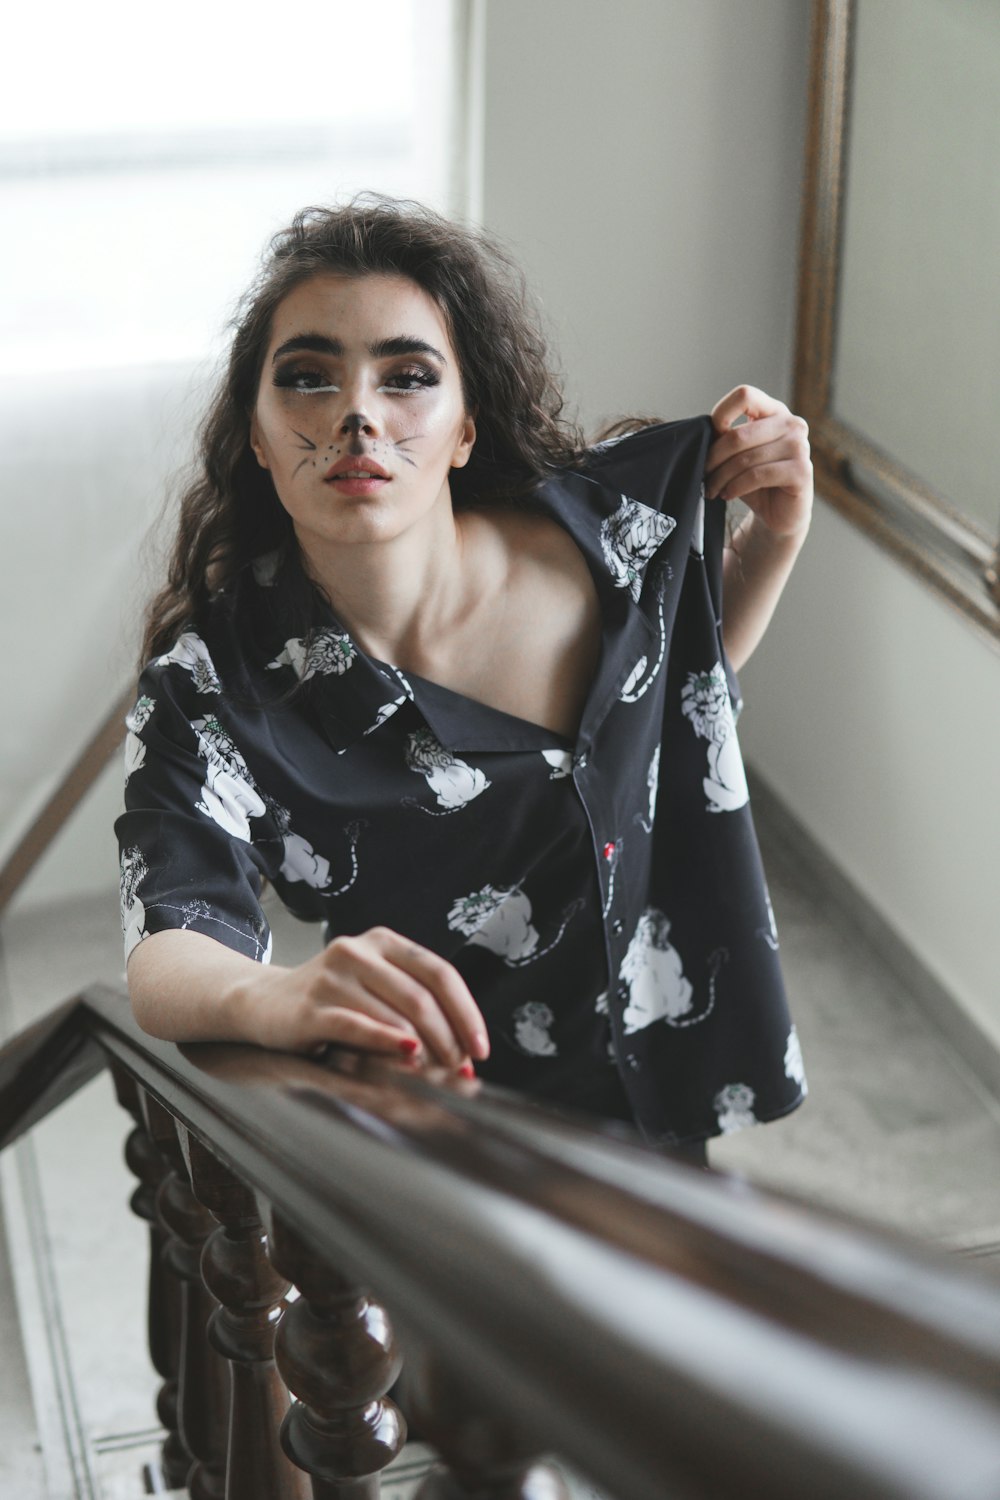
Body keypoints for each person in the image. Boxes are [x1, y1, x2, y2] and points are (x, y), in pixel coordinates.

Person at [116, 196, 812, 1154]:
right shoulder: (215, 690)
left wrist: (771, 545)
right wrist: (278, 994)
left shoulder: (614, 523)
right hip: (449, 1125)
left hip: (665, 1074)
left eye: (407, 376)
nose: (358, 414)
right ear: (258, 438)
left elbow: (670, 691)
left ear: (465, 429)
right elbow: (168, 942)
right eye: (309, 379)